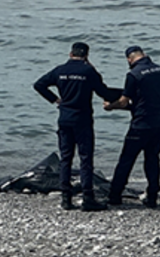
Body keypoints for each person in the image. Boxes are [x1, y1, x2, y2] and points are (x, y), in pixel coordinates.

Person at [33, 42, 123, 211]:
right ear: (87, 56)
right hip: (82, 119)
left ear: (70, 54)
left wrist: (55, 99)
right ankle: (88, 197)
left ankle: (66, 198)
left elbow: (39, 85)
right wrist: (124, 95)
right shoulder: (88, 71)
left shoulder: (59, 70)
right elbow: (103, 92)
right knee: (85, 158)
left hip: (65, 118)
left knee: (66, 158)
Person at [104, 45, 160, 208]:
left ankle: (114, 195)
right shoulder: (159, 69)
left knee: (126, 160)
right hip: (158, 123)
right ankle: (152, 196)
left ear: (129, 59)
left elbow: (124, 101)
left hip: (140, 124)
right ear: (144, 55)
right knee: (152, 159)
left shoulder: (133, 74)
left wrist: (110, 107)